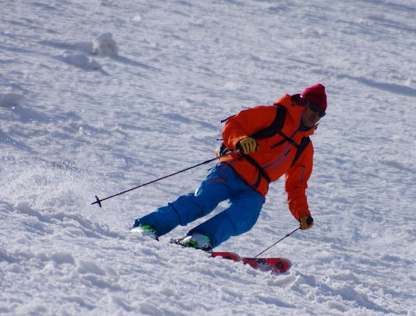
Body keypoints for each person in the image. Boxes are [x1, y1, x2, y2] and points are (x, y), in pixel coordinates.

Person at [131, 84, 327, 251]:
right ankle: (149, 225)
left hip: (257, 186)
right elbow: (234, 124)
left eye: (321, 113)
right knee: (203, 201)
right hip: (233, 169)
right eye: (313, 108)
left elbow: (296, 185)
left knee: (246, 215)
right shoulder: (274, 115)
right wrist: (240, 140)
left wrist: (302, 214)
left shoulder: (304, 147)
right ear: (302, 103)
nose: (315, 115)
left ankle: (201, 238)